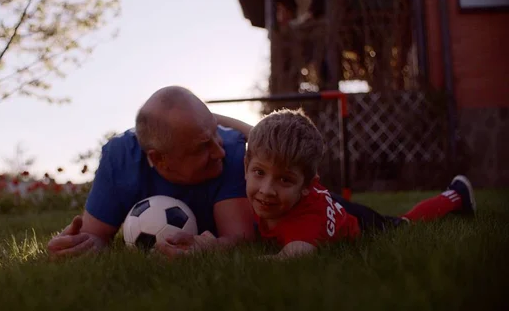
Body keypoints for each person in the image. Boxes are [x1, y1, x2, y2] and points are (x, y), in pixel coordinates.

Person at [178, 108, 476, 259]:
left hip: (359, 223)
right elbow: (252, 134)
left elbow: (288, 259)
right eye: (259, 173)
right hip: (319, 200)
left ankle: (457, 194)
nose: (267, 189)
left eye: (284, 179)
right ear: (246, 166)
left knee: (404, 224)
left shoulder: (304, 229)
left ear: (307, 182)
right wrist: (203, 115)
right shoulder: (276, 170)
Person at [47, 86, 255, 258]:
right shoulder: (121, 157)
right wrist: (77, 244)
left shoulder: (233, 151)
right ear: (158, 158)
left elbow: (240, 239)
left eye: (215, 132)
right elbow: (96, 236)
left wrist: (210, 248)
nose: (219, 152)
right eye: (202, 147)